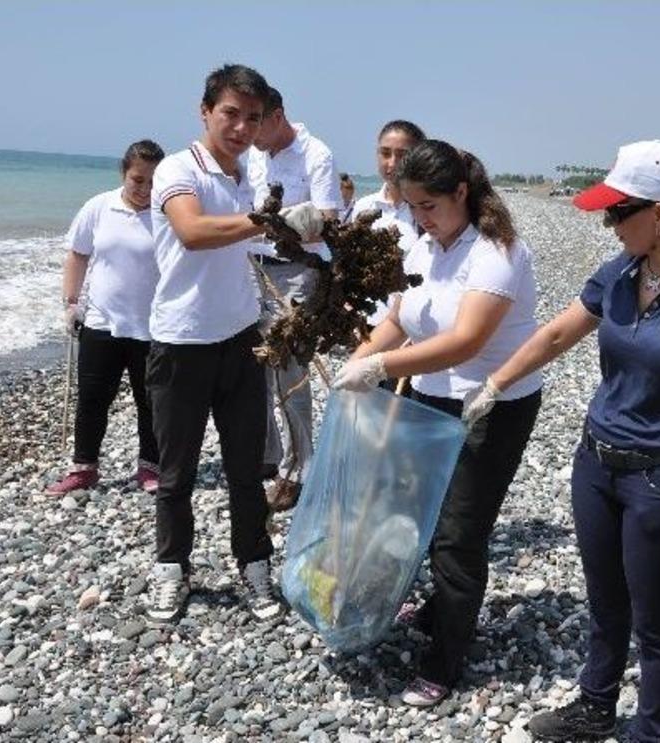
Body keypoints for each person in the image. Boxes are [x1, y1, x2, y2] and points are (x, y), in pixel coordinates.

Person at [464, 140, 660, 742]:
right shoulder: (620, 273)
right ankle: (595, 707)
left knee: (655, 620)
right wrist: (495, 383)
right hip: (596, 464)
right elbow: (554, 337)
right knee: (605, 602)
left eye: (617, 212)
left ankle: (653, 731)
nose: (609, 225)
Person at [329, 139, 543, 707]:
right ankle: (434, 608)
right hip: (428, 398)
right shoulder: (427, 248)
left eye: (429, 206)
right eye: (413, 207)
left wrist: (379, 367)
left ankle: (445, 660)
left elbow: (465, 341)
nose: (420, 219)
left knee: (458, 534)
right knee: (415, 513)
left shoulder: (498, 251)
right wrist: (359, 360)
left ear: (462, 193)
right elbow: (399, 319)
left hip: (491, 403)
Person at [145, 64, 319, 626]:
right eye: (230, 114)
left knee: (249, 466)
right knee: (177, 472)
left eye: (252, 117)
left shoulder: (244, 176)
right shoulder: (178, 169)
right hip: (181, 341)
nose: (242, 127)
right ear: (205, 111)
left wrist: (290, 226)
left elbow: (246, 242)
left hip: (241, 339)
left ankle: (254, 567)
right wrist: (264, 220)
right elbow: (192, 233)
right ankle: (171, 569)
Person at [45, 140, 166, 497]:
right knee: (93, 398)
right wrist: (71, 303)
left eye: (152, 182)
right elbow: (78, 255)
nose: (144, 189)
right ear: (123, 174)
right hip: (101, 322)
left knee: (151, 402)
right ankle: (84, 469)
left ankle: (150, 467)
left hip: (152, 326)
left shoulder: (167, 213)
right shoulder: (99, 207)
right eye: (137, 179)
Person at [247, 87, 343, 509]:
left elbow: (328, 220)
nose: (249, 132)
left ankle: (297, 470)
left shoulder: (316, 154)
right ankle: (267, 456)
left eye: (257, 121)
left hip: (297, 273)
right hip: (251, 269)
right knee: (253, 370)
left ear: (278, 116)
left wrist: (283, 221)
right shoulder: (252, 152)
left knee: (289, 373)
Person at [349, 120, 427, 330]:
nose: (392, 163)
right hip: (369, 321)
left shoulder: (428, 212)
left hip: (414, 325)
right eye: (385, 153)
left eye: (402, 155)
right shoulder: (363, 207)